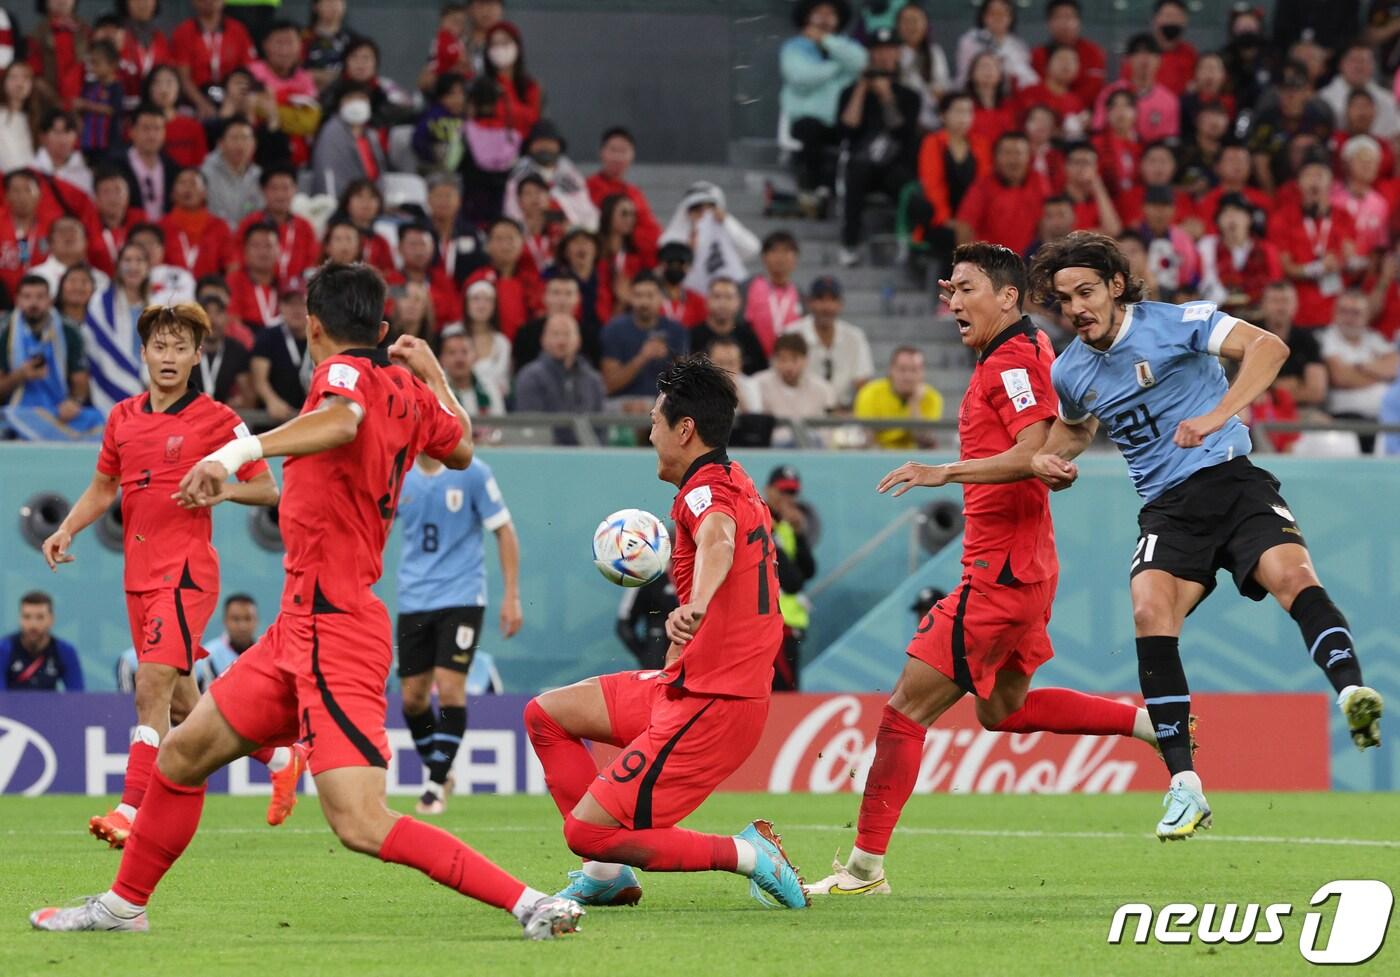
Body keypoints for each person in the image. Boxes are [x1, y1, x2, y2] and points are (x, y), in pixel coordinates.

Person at [29, 264, 585, 940]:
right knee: (181, 754)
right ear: (383, 328)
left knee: (359, 821)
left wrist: (239, 451)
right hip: (296, 627)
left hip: (336, 628)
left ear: (312, 326)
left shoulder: (341, 379)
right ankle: (122, 906)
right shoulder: (409, 388)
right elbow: (463, 443)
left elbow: (342, 418)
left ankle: (532, 902)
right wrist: (435, 370)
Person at [806, 242, 1159, 898]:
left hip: (998, 573)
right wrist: (1057, 455)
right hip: (1026, 568)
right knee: (1003, 709)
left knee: (904, 711)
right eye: (950, 290)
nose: (954, 301)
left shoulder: (1012, 362)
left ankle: (862, 869)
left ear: (1009, 296)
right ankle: (1145, 722)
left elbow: (1027, 446)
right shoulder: (1024, 355)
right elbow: (1057, 436)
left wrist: (945, 470)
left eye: (967, 288)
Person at [1028, 231, 1382, 841]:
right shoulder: (1070, 370)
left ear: (1116, 286)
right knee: (1148, 610)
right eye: (1064, 299)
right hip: (1168, 510)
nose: (1076, 308)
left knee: (1292, 578)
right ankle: (1185, 787)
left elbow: (1268, 348)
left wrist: (1219, 415)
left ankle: (1351, 691)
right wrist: (1050, 462)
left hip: (1233, 482)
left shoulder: (1176, 322)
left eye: (1086, 291)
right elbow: (1075, 430)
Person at [523, 354, 806, 910]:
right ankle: (607, 875)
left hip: (714, 705)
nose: (648, 431)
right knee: (546, 714)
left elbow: (719, 541)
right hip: (686, 683)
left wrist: (695, 605)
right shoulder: (732, 478)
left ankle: (750, 855)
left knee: (585, 831)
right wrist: (685, 634)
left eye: (655, 420)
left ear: (685, 429)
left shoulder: (706, 495)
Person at [41, 302, 287, 847]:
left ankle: (131, 807)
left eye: (181, 347)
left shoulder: (219, 420)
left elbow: (267, 488)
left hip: (185, 573)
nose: (169, 357)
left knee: (150, 685)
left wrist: (223, 488)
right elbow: (105, 487)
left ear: (198, 356)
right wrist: (67, 529)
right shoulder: (122, 417)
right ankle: (280, 756)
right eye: (160, 346)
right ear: (144, 353)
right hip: (139, 574)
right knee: (184, 701)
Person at [396, 449, 522, 814]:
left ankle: (434, 784)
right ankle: (443, 771)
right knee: (412, 700)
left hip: (462, 596)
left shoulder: (473, 472)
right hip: (413, 599)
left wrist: (511, 595)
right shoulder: (401, 475)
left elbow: (504, 531)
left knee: (451, 689)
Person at [835, 27, 921, 268]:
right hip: (861, 164)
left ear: (897, 54)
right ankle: (849, 242)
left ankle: (906, 240)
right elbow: (845, 130)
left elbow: (904, 133)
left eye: (889, 50)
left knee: (907, 184)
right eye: (878, 51)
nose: (884, 56)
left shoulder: (909, 96)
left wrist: (886, 97)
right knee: (856, 170)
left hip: (895, 164)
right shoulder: (849, 92)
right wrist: (862, 89)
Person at [781, 0, 868, 202]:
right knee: (810, 130)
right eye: (819, 13)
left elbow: (862, 61)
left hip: (841, 120)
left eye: (831, 14)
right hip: (807, 120)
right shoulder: (794, 48)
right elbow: (801, 77)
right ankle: (813, 187)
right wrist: (838, 66)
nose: (825, 18)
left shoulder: (845, 46)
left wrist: (827, 41)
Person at [0, 273, 102, 439]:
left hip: (58, 410)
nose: (33, 303)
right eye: (27, 297)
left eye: (40, 297)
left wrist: (74, 402)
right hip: (15, 411)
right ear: (17, 300)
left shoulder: (70, 330)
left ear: (50, 300)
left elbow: (80, 381)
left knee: (99, 420)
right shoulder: (4, 330)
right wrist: (21, 375)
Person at [1270, 156, 1359, 329]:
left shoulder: (1344, 216)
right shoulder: (1282, 218)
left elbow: (1351, 257)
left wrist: (1343, 262)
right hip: (1298, 309)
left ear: (1331, 183)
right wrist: (1317, 268)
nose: (1314, 182)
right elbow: (1285, 266)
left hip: (1337, 309)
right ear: (1298, 183)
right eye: (1308, 176)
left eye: (1319, 175)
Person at [1321, 289, 1398, 453]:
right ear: (1334, 313)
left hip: (1382, 417)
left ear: (1366, 316)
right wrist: (1380, 375)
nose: (1349, 318)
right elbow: (1341, 377)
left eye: (1356, 313)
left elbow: (1395, 366)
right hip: (1346, 417)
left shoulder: (1373, 338)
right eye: (1344, 311)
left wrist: (1361, 366)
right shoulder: (1328, 338)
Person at [84, 241, 152, 415]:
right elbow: (97, 346)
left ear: (148, 267)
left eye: (139, 261)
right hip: (109, 383)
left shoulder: (157, 306)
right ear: (118, 266)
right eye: (127, 261)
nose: (133, 266)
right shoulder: (101, 302)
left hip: (150, 385)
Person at [764, 466, 816, 692]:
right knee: (781, 695)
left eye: (792, 493)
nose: (788, 499)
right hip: (772, 624)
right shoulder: (761, 523)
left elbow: (808, 570)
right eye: (783, 491)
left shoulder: (785, 526)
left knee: (787, 693)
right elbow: (792, 582)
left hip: (789, 624)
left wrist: (799, 533)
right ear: (769, 490)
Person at [600, 272, 687, 402]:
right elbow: (608, 386)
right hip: (622, 404)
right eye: (638, 295)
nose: (644, 302)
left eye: (650, 295)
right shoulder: (614, 329)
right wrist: (642, 358)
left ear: (661, 298)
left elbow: (684, 383)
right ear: (631, 298)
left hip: (665, 403)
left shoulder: (676, 331)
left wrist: (672, 361)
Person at [956, 131, 1046, 256]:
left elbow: (1047, 223)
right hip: (992, 263)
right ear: (995, 157)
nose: (1013, 160)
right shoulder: (983, 185)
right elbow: (965, 226)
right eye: (1007, 153)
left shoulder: (1039, 182)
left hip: (1029, 262)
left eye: (1019, 153)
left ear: (1028, 157)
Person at [790, 275, 874, 409]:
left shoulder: (855, 336)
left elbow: (862, 383)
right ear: (809, 302)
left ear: (841, 304)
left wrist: (851, 413)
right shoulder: (792, 334)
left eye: (832, 300)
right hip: (800, 410)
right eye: (820, 299)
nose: (826, 307)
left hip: (842, 412)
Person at [1196, 194, 1281, 320]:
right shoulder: (1207, 247)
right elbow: (1203, 285)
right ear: (1218, 221)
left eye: (1238, 212)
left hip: (1260, 318)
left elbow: (1275, 283)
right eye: (1226, 213)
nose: (1232, 218)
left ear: (1250, 219)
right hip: (1218, 318)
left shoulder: (1266, 250)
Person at [172, 0, 258, 119]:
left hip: (231, 95)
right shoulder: (183, 31)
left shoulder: (238, 30)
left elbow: (247, 72)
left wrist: (235, 101)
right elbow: (183, 78)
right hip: (196, 97)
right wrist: (201, 103)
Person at [586, 126, 662, 259]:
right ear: (601, 153)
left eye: (623, 151)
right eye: (613, 150)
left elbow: (653, 233)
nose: (617, 157)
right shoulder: (585, 188)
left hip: (626, 259)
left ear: (632, 155)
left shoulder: (635, 194)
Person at [235, 165, 318, 286]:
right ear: (263, 190)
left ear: (295, 189)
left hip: (296, 296)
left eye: (285, 188)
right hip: (255, 290)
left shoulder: (305, 227)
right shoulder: (248, 223)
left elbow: (312, 265)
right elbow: (237, 261)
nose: (280, 195)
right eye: (274, 188)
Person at [514, 314, 606, 423]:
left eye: (567, 334)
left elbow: (601, 425)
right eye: (555, 334)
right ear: (543, 340)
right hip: (544, 440)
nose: (561, 340)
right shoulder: (530, 377)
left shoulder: (593, 380)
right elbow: (531, 426)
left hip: (587, 440)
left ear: (578, 340)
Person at [1092, 33, 1179, 143]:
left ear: (1160, 61)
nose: (1145, 59)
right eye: (1138, 53)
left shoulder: (1169, 100)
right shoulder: (1110, 92)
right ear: (1127, 60)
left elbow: (1169, 141)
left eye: (1151, 53)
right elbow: (1099, 129)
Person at [853, 346, 944, 450]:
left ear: (922, 373)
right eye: (902, 369)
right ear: (891, 370)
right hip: (878, 455)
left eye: (914, 370)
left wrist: (914, 403)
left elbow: (924, 441)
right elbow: (866, 438)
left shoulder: (932, 398)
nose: (908, 376)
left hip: (914, 459)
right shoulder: (869, 393)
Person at [160, 169, 237, 282]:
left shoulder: (219, 226)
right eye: (182, 183)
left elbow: (232, 265)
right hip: (170, 294)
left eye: (193, 183)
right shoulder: (161, 226)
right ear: (172, 193)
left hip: (209, 293)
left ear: (204, 193)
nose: (187, 188)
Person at [311, 83, 385, 196]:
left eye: (362, 98)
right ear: (340, 103)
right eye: (350, 98)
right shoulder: (332, 131)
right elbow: (327, 173)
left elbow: (379, 172)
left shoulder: (371, 134)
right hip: (344, 200)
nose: (356, 103)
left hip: (372, 197)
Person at [250, 282, 310, 421]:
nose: (296, 310)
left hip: (311, 415)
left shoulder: (321, 337)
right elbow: (259, 379)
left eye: (301, 303)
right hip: (274, 418)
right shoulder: (267, 336)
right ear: (281, 308)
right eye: (290, 304)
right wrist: (271, 400)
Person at [3, 592, 83, 691]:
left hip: (50, 706)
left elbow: (77, 697)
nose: (33, 625)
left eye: (40, 617)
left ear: (51, 619)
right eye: (27, 617)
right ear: (20, 619)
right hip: (9, 706)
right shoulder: (4, 649)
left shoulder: (65, 651)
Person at [1031, 0, 1106, 107]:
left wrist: (1072, 108)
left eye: (1069, 17)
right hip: (1047, 112)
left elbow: (1094, 89)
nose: (1064, 24)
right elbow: (1037, 90)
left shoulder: (1093, 53)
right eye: (1058, 17)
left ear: (1079, 22)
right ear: (1049, 23)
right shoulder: (1037, 55)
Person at [1320, 41, 1399, 141]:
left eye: (1365, 61)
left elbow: (1395, 134)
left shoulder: (1387, 99)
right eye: (1354, 60)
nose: (1359, 66)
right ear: (1341, 64)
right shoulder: (1324, 99)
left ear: (1374, 66)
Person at [953, 0, 1037, 90]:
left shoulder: (1018, 45)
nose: (998, 18)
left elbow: (1028, 78)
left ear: (1011, 18)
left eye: (1003, 13)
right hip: (974, 93)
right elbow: (964, 76)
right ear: (983, 16)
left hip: (1009, 96)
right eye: (992, 13)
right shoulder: (970, 40)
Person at [744, 231, 803, 356]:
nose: (780, 257)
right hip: (755, 363)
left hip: (791, 365)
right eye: (774, 251)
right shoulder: (748, 288)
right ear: (764, 257)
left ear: (796, 258)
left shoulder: (801, 295)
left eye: (786, 251)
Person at [692, 277, 766, 376]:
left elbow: (761, 374)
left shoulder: (748, 336)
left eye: (728, 297)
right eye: (717, 296)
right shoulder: (692, 336)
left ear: (738, 302)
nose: (722, 303)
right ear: (707, 300)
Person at [894, 2, 950, 131]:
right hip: (902, 120)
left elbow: (942, 89)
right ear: (898, 26)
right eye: (906, 21)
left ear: (925, 25)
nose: (911, 26)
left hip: (930, 122)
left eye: (916, 20)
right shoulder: (892, 54)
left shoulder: (934, 52)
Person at [115, 103, 177, 221]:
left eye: (157, 129)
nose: (152, 135)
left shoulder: (172, 167)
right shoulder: (116, 166)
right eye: (146, 128)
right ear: (132, 132)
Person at [190, 287, 252, 405]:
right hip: (189, 417)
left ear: (227, 318)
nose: (212, 320)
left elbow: (248, 397)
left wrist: (234, 404)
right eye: (206, 312)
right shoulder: (184, 350)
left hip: (226, 417)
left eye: (218, 312)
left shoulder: (237, 351)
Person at [753, 332, 835, 420]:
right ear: (774, 360)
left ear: (805, 360)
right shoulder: (758, 384)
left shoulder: (822, 388)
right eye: (782, 359)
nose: (788, 366)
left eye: (794, 359)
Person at [226, 222, 284, 334]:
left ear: (279, 250)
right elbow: (233, 322)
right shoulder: (234, 281)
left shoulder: (286, 284)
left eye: (268, 246)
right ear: (245, 251)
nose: (262, 252)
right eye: (256, 246)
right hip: (246, 344)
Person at [30, 215, 108, 296]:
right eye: (62, 231)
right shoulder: (36, 275)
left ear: (86, 242)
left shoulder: (100, 279)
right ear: (50, 242)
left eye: (73, 231)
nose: (68, 236)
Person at [614, 573, 678, 672]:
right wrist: (647, 656)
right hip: (658, 663)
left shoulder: (700, 576)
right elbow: (624, 625)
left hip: (693, 662)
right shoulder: (645, 578)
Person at [439, 324, 505, 417]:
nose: (459, 359)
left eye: (464, 352)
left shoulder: (490, 388)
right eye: (452, 352)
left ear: (475, 357)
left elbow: (500, 424)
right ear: (442, 359)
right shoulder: (436, 392)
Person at [33, 108, 91, 194]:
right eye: (57, 132)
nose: (63, 139)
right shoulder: (32, 171)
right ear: (42, 137)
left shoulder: (85, 174)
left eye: (68, 132)